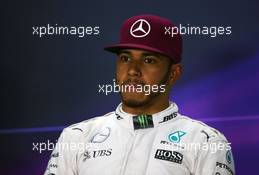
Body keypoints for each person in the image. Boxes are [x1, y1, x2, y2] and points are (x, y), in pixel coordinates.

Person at [44, 14, 235, 175]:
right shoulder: (76, 137)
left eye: (149, 60)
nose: (133, 70)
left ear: (174, 73)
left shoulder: (206, 142)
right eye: (125, 58)